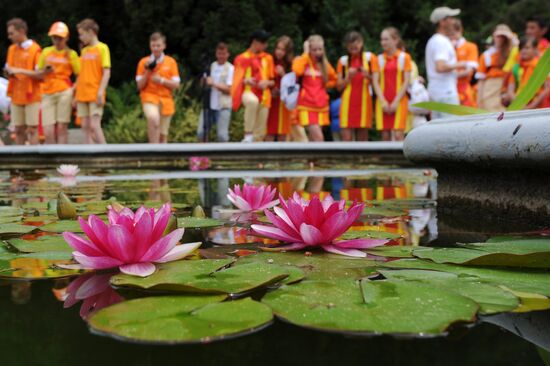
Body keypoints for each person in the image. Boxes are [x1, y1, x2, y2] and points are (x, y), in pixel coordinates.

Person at [36, 22, 80, 144]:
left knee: (62, 127)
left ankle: (62, 158)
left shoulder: (71, 54)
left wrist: (73, 90)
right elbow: (38, 73)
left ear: (66, 38)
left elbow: (80, 76)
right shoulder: (46, 52)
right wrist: (45, 71)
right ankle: (51, 158)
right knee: (48, 129)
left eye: (60, 37)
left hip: (64, 91)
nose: (57, 40)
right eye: (54, 37)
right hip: (47, 91)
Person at [136, 32, 181, 143]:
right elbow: (139, 86)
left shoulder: (171, 62)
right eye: (153, 45)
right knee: (153, 119)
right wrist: (147, 71)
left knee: (163, 135)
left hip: (166, 100)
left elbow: (176, 85)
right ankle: (153, 152)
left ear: (164, 46)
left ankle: (161, 158)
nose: (155, 48)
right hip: (149, 97)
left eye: (158, 45)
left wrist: (161, 80)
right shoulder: (143, 62)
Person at [3, 18, 42, 145]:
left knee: (32, 129)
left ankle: (35, 163)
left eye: (12, 33)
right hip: (16, 95)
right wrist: (9, 72)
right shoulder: (12, 49)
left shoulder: (35, 49)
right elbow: (9, 70)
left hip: (31, 96)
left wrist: (19, 70)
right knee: (18, 130)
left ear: (22, 31)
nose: (9, 36)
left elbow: (40, 75)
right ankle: (20, 163)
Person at [231, 30, 275, 142]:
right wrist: (246, 80)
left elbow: (273, 81)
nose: (266, 45)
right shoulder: (241, 58)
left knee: (260, 133)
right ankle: (248, 134)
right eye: (264, 42)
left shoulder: (268, 58)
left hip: (265, 96)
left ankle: (256, 158)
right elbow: (236, 79)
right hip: (248, 91)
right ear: (255, 42)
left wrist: (267, 83)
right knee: (252, 101)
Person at [292, 35, 337, 142]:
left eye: (320, 49)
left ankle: (312, 160)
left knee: (314, 140)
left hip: (321, 106)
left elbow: (334, 79)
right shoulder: (302, 60)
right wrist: (305, 53)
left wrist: (325, 86)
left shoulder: (324, 64)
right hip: (307, 105)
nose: (317, 52)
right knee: (319, 138)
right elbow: (297, 71)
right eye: (314, 50)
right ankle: (315, 159)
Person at [74, 18, 110, 144]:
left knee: (95, 126)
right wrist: (75, 95)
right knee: (85, 126)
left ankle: (106, 153)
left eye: (82, 34)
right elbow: (80, 74)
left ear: (91, 32)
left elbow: (106, 72)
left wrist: (101, 92)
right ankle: (88, 154)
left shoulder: (102, 48)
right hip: (82, 94)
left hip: (95, 92)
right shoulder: (84, 51)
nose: (80, 37)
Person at [372, 27, 412, 141]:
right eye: (382, 39)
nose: (383, 42)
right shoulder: (378, 59)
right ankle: (386, 159)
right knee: (385, 135)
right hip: (382, 101)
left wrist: (395, 102)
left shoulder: (405, 57)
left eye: (386, 39)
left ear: (395, 40)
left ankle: (400, 159)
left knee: (399, 134)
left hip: (399, 101)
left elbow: (406, 81)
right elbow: (375, 81)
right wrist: (383, 101)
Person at [425, 7, 465, 119]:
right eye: (450, 18)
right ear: (442, 22)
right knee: (452, 131)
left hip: (436, 91)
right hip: (446, 93)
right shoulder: (441, 41)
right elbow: (440, 67)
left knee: (438, 132)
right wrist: (462, 64)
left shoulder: (434, 40)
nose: (453, 21)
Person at [336, 31, 374, 141]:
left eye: (356, 45)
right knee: (346, 135)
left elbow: (378, 83)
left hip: (364, 101)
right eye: (351, 47)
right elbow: (338, 87)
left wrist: (367, 75)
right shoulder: (343, 61)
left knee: (363, 133)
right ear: (347, 47)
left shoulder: (370, 58)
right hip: (347, 102)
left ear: (361, 43)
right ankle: (348, 158)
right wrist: (348, 77)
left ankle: (363, 158)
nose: (354, 48)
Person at [197, 43, 233, 143]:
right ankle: (204, 156)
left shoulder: (231, 68)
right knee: (201, 133)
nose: (221, 56)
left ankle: (223, 157)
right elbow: (202, 84)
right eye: (219, 53)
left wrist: (214, 84)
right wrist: (203, 80)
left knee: (222, 136)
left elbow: (230, 89)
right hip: (208, 105)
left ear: (228, 54)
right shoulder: (211, 66)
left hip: (223, 106)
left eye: (223, 54)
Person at [476, 24, 518, 111]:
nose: (500, 38)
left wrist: (510, 38)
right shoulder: (487, 55)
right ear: (493, 36)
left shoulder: (513, 52)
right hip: (491, 88)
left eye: (503, 36)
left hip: (510, 86)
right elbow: (481, 80)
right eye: (498, 36)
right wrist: (479, 100)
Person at [502, 37, 545, 109]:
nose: (523, 51)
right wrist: (521, 105)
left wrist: (531, 106)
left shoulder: (541, 66)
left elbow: (547, 88)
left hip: (538, 106)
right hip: (519, 104)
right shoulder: (516, 67)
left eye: (527, 48)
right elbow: (510, 90)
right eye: (521, 48)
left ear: (535, 49)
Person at [266, 36, 294, 142]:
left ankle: (282, 158)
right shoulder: (269, 61)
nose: (279, 52)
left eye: (283, 50)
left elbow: (293, 86)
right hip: (271, 101)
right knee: (269, 131)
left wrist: (283, 75)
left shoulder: (291, 65)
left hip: (284, 102)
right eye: (278, 48)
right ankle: (268, 158)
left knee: (283, 131)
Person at [450, 19, 479, 107]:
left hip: (464, 88)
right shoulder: (446, 47)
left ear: (459, 30)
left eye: (453, 32)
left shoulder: (470, 47)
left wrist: (450, 75)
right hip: (448, 88)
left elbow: (469, 71)